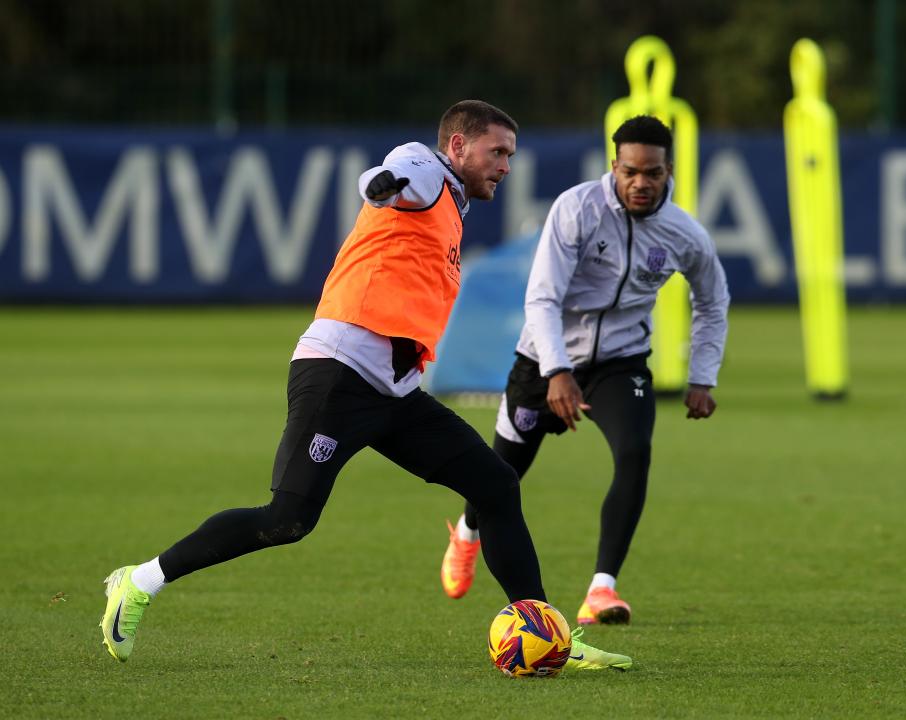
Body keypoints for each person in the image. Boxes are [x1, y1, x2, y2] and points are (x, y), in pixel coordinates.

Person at [100, 100, 630, 671]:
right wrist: (385, 182)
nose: (505, 165)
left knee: (496, 486)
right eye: (496, 151)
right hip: (339, 373)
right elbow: (394, 178)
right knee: (286, 520)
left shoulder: (451, 203)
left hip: (393, 390)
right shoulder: (424, 170)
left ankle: (549, 635)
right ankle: (138, 581)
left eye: (510, 154)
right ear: (456, 147)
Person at [441, 115, 730, 627]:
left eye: (654, 173)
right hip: (542, 360)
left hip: (619, 362)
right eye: (631, 171)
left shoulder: (685, 233)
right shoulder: (576, 209)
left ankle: (602, 589)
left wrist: (702, 375)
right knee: (501, 475)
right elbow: (543, 295)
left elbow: (712, 300)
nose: (641, 182)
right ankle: (467, 531)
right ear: (614, 166)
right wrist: (556, 371)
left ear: (669, 172)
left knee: (635, 452)